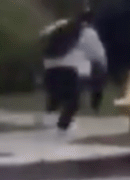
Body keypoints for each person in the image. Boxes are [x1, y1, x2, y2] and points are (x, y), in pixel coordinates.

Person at [40, 8, 108, 137]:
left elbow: (43, 39)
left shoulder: (61, 26)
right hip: (71, 69)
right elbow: (98, 54)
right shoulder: (88, 32)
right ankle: (63, 127)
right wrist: (103, 69)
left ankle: (49, 118)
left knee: (56, 95)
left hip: (49, 67)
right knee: (73, 101)